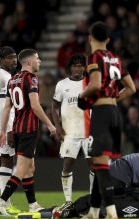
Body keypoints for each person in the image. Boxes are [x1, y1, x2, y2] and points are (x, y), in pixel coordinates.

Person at [78, 21, 136, 219]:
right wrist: (112, 99)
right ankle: (94, 212)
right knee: (99, 162)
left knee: (101, 165)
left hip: (102, 114)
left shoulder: (93, 57)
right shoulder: (116, 59)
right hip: (115, 113)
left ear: (90, 38)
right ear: (109, 39)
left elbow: (94, 85)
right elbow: (132, 88)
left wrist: (82, 97)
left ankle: (111, 212)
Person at [0, 49, 57, 216]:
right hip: (28, 129)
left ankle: (32, 204)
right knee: (22, 169)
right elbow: (35, 106)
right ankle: (2, 202)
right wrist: (50, 125)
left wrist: (3, 130)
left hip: (16, 129)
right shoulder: (31, 78)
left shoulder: (13, 80)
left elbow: (7, 107)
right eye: (37, 59)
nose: (39, 62)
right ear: (29, 62)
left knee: (30, 167)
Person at [51, 54, 93, 210]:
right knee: (68, 164)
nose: (77, 68)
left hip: (89, 131)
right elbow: (54, 107)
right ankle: (68, 200)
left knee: (93, 166)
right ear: (70, 67)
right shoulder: (62, 85)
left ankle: (92, 198)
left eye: (80, 65)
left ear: (84, 67)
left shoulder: (90, 83)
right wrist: (57, 126)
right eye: (74, 66)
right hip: (70, 132)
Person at [0, 46, 21, 215]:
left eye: (15, 57)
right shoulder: (5, 77)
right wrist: (8, 129)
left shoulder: (8, 76)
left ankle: (4, 202)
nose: (14, 60)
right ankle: (4, 203)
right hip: (3, 126)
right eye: (9, 57)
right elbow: (4, 107)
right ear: (2, 59)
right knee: (7, 160)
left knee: (4, 161)